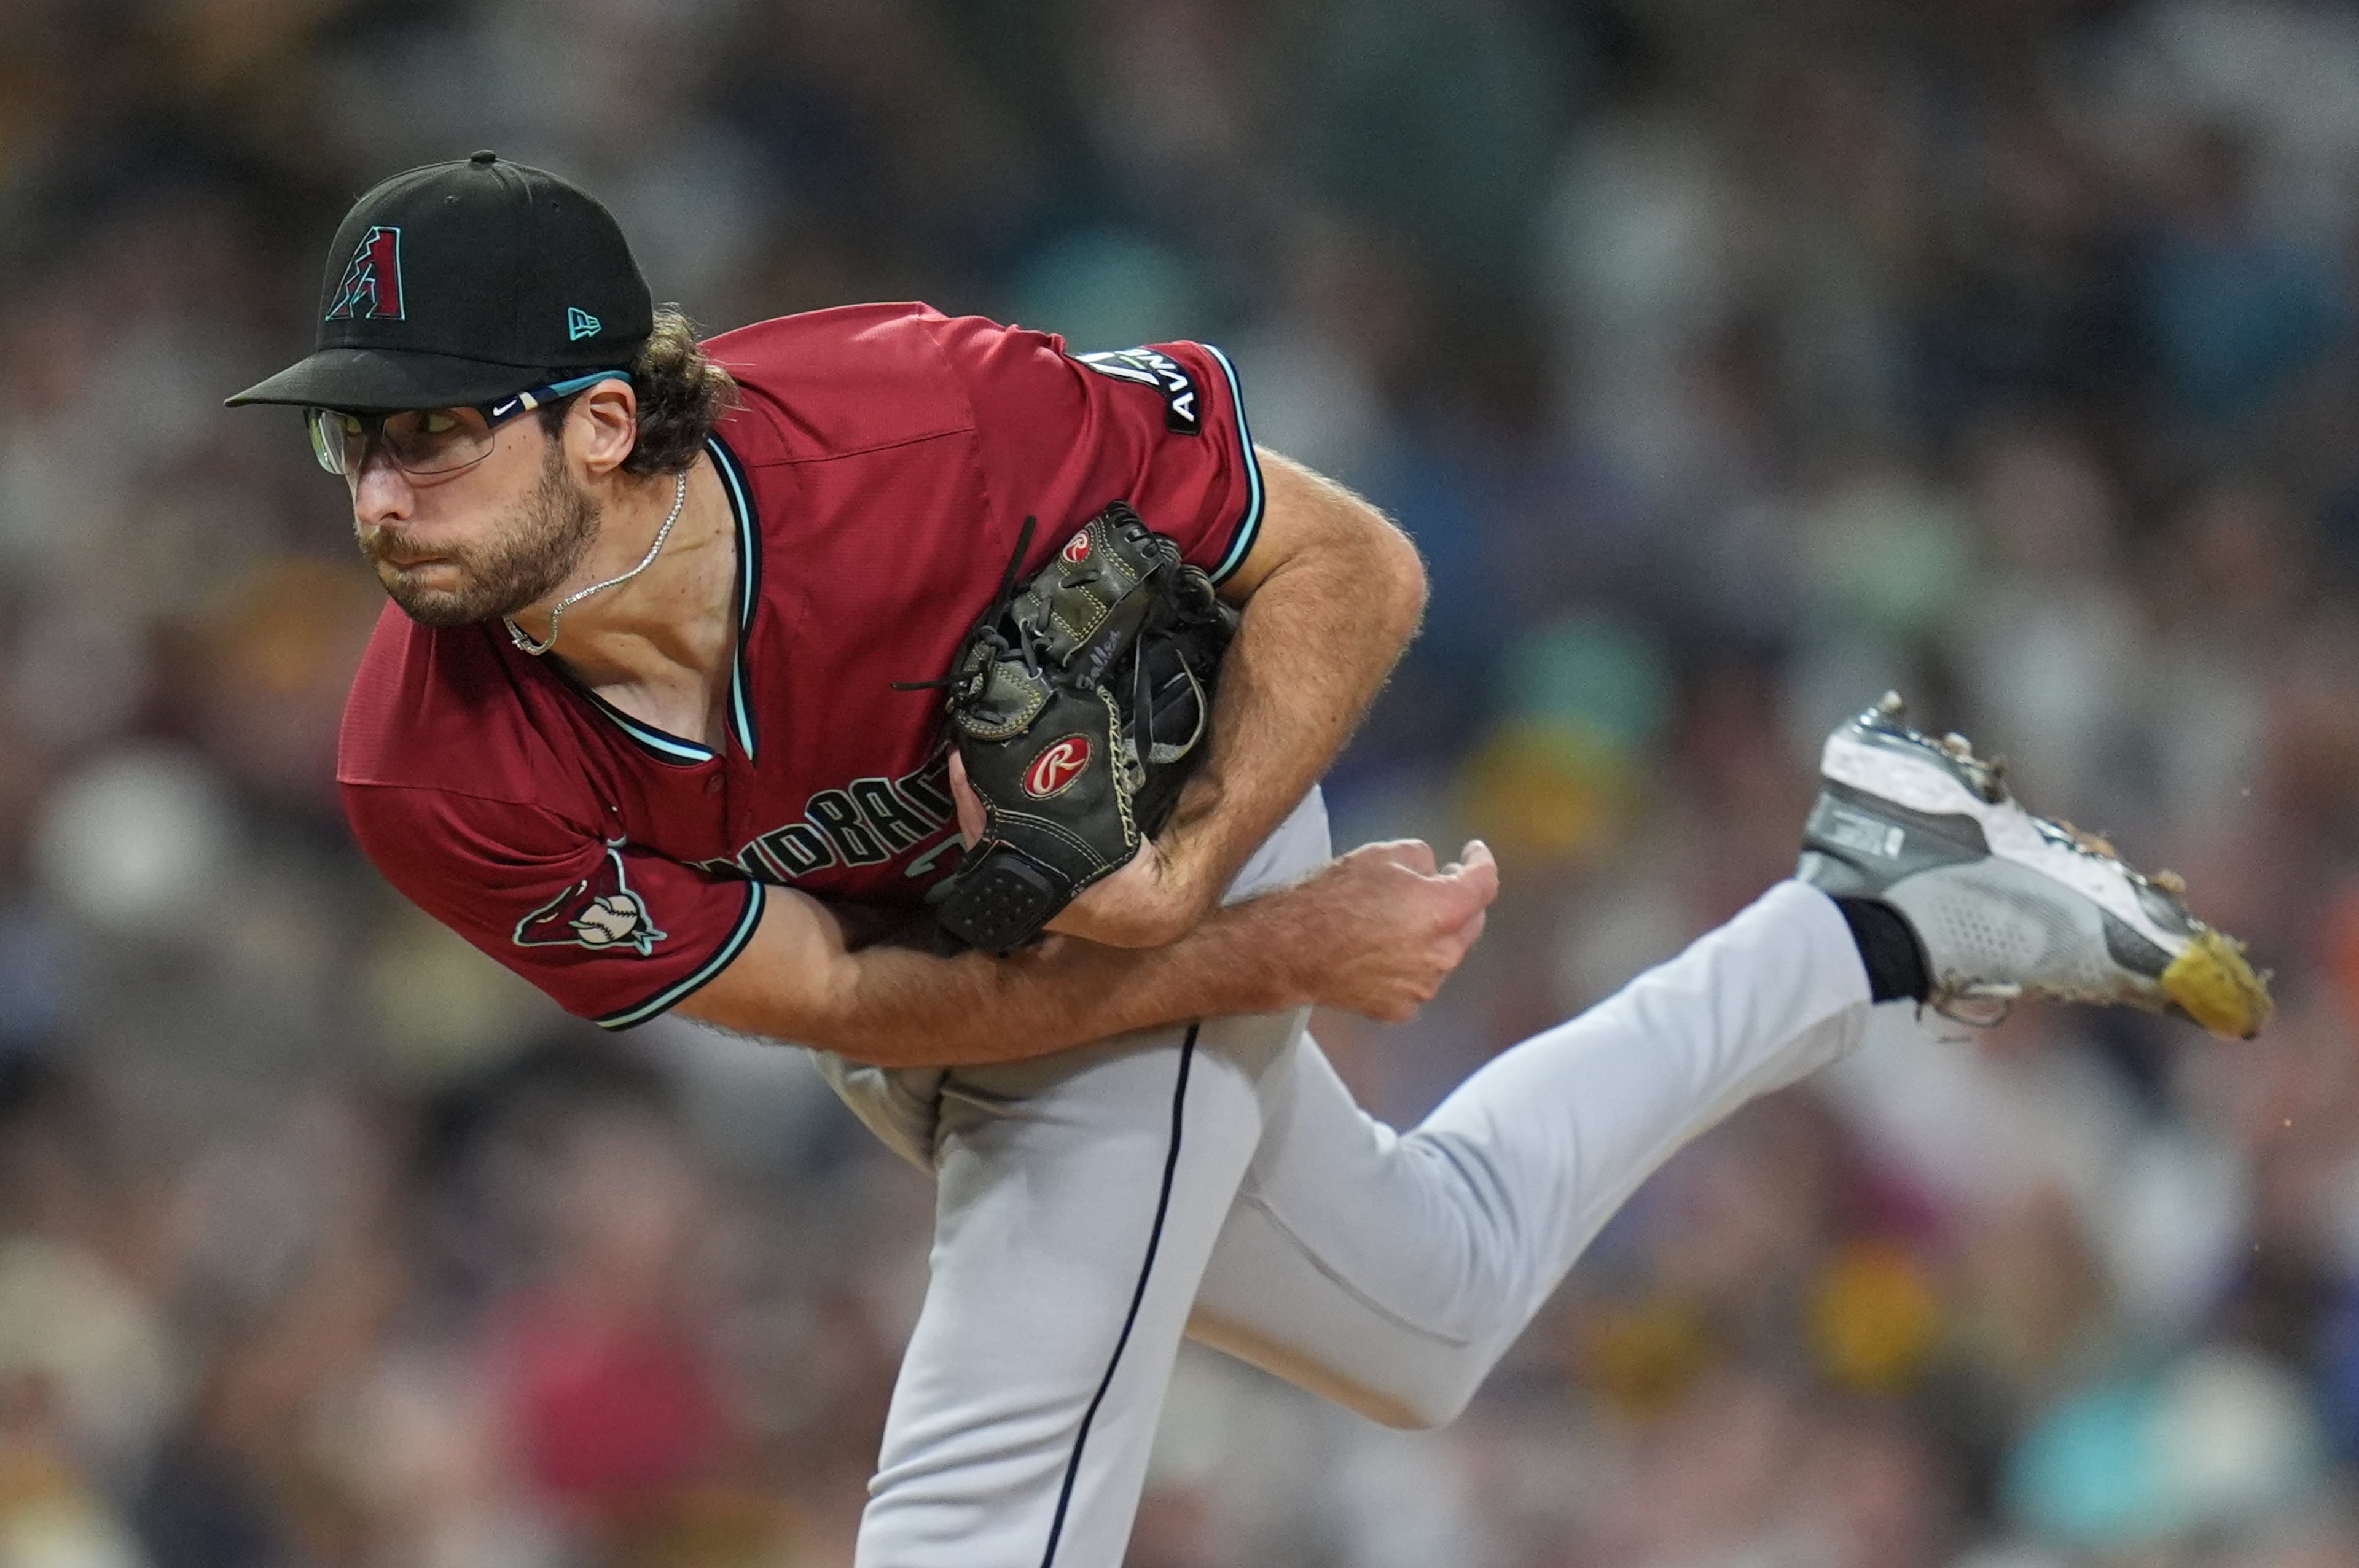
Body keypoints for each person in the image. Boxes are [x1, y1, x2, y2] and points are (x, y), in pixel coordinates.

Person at [227, 154, 2269, 1567]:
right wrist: (1272, 953)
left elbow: (1351, 559)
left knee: (981, 1483)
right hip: (961, 980)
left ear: (600, 422)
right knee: (1435, 1307)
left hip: (1167, 809)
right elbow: (841, 994)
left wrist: (1197, 881)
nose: (380, 490)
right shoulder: (426, 769)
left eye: (431, 431)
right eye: (354, 439)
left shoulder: (917, 426)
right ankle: (1872, 910)